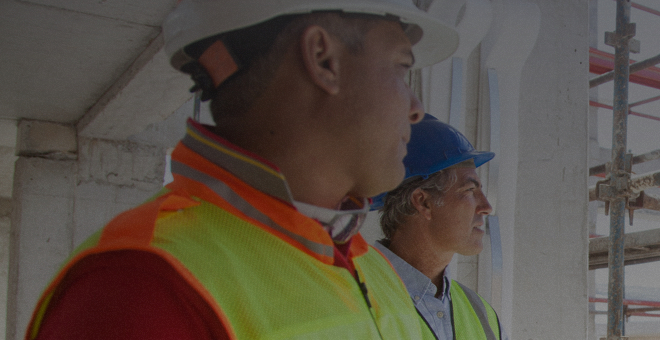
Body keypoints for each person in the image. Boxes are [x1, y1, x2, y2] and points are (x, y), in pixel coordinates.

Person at [25, 0, 458, 338]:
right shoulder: (141, 286)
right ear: (323, 59)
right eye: (402, 70)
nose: (417, 109)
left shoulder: (363, 263)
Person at [376, 115, 505, 340]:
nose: (486, 207)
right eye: (469, 191)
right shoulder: (351, 292)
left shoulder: (481, 314)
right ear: (424, 202)